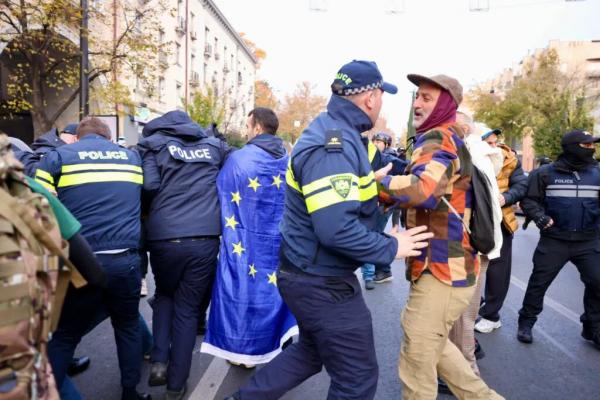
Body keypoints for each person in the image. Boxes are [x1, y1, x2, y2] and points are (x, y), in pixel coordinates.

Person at [225, 60, 433, 400]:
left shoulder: (339, 133)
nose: (381, 104)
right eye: (382, 96)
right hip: (322, 282)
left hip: (311, 274)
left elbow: (342, 205)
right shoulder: (332, 144)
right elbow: (335, 229)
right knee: (357, 379)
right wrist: (390, 247)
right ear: (370, 98)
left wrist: (379, 199)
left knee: (310, 353)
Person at [376, 74, 503, 399]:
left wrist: (373, 183)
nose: (417, 103)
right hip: (441, 266)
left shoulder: (438, 139)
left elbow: (423, 190)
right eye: (417, 96)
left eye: (427, 98)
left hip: (444, 269)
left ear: (446, 104)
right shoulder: (440, 138)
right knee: (430, 343)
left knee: (417, 356)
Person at [35, 117, 149, 400]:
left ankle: (41, 391)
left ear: (78, 137)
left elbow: (38, 208)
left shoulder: (57, 157)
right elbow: (144, 201)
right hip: (125, 260)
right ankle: (129, 392)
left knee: (65, 335)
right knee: (127, 326)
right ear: (109, 137)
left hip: (80, 261)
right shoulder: (132, 159)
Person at [137, 110, 231, 399]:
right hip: (204, 237)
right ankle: (176, 386)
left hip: (164, 236)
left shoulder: (152, 145)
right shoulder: (214, 147)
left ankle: (159, 362)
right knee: (188, 309)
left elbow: (149, 185)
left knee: (165, 294)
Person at [201, 107, 298, 367]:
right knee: (273, 290)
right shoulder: (288, 160)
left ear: (256, 128)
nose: (246, 131)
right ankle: (276, 341)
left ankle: (244, 352)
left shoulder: (240, 159)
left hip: (244, 239)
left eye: (247, 126)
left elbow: (221, 192)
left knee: (243, 292)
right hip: (277, 242)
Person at [518, 130, 600, 349]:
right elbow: (529, 201)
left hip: (588, 242)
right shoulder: (544, 173)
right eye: (587, 145)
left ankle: (593, 328)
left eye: (593, 145)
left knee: (598, 283)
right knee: (538, 284)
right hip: (555, 241)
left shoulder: (597, 174)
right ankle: (526, 323)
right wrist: (540, 218)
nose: (592, 149)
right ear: (572, 147)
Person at [443, 113, 503, 388]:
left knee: (461, 318)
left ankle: (467, 377)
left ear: (464, 129)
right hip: (483, 244)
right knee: (464, 316)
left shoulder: (467, 156)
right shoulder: (482, 155)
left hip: (471, 246)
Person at [476, 128, 527, 333]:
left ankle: (491, 315)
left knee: (498, 270)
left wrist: (506, 197)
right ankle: (471, 306)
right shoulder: (468, 156)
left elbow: (522, 185)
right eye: (488, 143)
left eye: (495, 142)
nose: (494, 147)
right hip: (473, 220)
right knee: (469, 267)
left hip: (502, 222)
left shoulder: (511, 159)